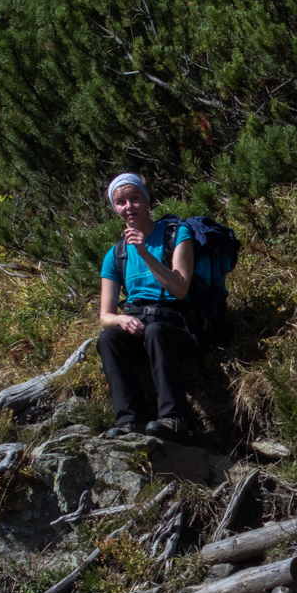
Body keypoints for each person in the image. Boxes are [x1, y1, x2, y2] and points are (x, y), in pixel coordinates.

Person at [97, 173, 195, 439]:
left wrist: (144, 252)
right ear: (115, 207)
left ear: (147, 198)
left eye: (135, 198)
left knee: (156, 332)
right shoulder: (115, 254)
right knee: (108, 339)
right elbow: (105, 315)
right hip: (138, 322)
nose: (129, 206)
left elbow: (180, 287)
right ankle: (129, 421)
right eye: (121, 202)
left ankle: (173, 418)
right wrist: (120, 320)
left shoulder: (177, 234)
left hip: (176, 323)